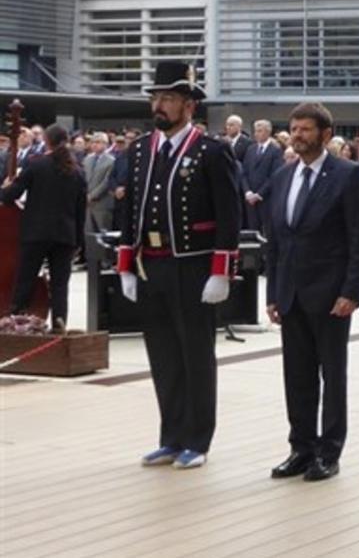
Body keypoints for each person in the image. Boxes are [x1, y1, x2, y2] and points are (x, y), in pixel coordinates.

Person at [115, 61, 240, 470]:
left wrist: (221, 270)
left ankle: (197, 440)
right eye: (155, 97)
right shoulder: (138, 150)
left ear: (188, 105)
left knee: (195, 355)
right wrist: (125, 265)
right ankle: (170, 437)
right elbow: (128, 212)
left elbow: (229, 214)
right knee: (164, 355)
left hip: (193, 265)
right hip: (151, 264)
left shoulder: (211, 150)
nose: (159, 105)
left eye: (167, 98)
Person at [264, 103, 359, 483]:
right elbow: (275, 241)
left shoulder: (346, 175)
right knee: (297, 376)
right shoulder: (282, 176)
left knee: (332, 375)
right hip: (291, 294)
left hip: (330, 295)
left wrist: (352, 291)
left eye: (306, 130)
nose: (297, 135)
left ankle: (329, 451)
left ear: (325, 135)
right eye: (294, 129)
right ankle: (301, 447)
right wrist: (272, 293)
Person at [0, 124, 87, 328]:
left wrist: (5, 189)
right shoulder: (77, 172)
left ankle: (15, 319)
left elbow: (11, 195)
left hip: (36, 233)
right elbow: (80, 211)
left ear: (46, 141)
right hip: (65, 234)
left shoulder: (36, 164)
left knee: (25, 279)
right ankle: (59, 323)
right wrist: (78, 241)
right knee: (59, 284)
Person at [241, 119, 284, 233]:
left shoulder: (275, 151)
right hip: (250, 200)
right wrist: (247, 192)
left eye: (259, 131)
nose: (256, 134)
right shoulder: (251, 149)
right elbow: (244, 173)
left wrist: (259, 194)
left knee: (268, 233)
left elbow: (275, 175)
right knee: (253, 230)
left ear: (268, 132)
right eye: (255, 131)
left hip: (266, 199)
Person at [82, 133, 115, 233]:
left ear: (105, 144)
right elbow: (83, 178)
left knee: (104, 234)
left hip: (102, 204)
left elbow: (106, 182)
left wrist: (91, 196)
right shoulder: (87, 159)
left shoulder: (111, 161)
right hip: (87, 205)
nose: (94, 145)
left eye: (98, 142)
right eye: (92, 142)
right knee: (88, 235)